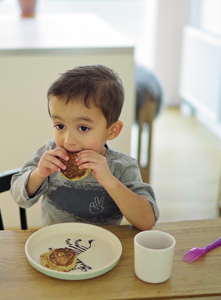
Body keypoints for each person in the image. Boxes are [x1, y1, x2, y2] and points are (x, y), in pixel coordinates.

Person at [10, 65, 158, 230]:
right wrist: (38, 175)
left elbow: (147, 221)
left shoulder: (122, 167)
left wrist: (110, 181)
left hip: (102, 246)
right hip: (55, 243)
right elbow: (18, 197)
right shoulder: (49, 154)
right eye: (60, 126)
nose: (68, 140)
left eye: (83, 128)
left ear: (112, 130)